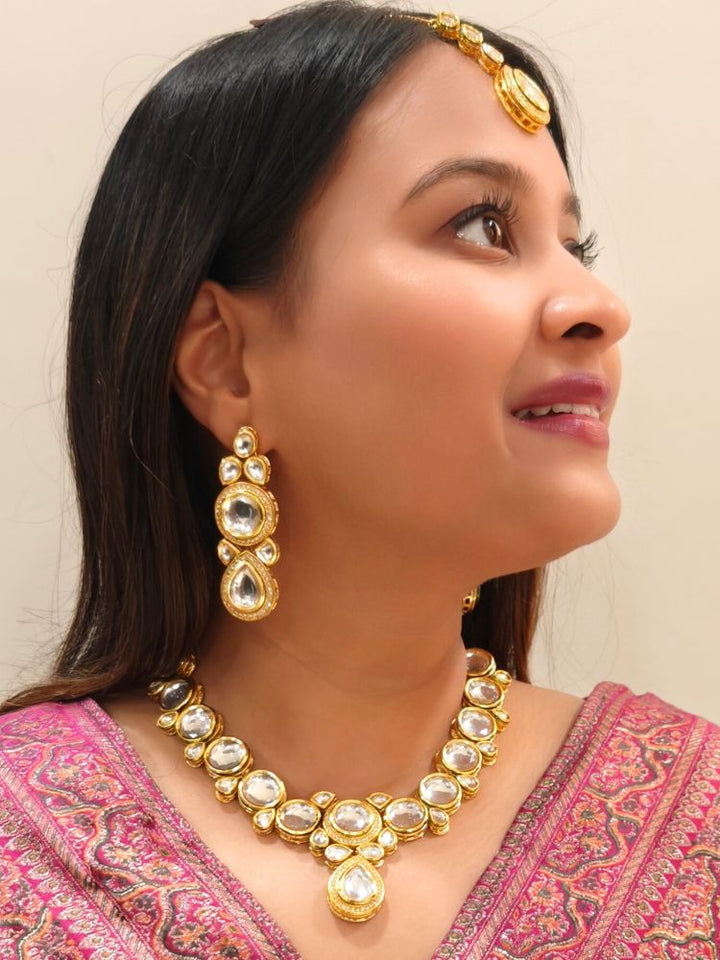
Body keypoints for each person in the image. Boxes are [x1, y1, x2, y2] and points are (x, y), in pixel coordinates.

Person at [1, 1, 718, 956]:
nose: (598, 304)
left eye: (573, 246)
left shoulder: (693, 820)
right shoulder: (24, 844)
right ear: (224, 361)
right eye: (482, 225)